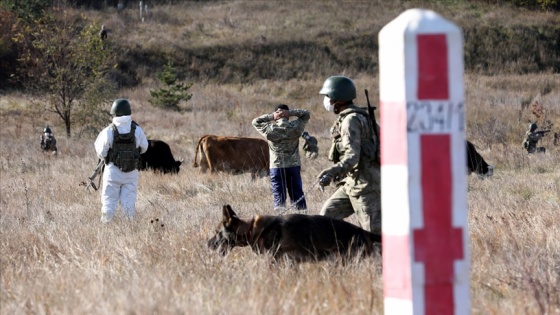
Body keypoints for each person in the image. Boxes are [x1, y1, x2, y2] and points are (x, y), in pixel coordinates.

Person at [317, 76, 381, 233]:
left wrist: (331, 172)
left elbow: (352, 156)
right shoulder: (359, 116)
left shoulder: (350, 120)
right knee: (326, 216)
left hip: (366, 186)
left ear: (336, 100)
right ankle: (339, 252)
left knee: (372, 233)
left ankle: (374, 257)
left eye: (327, 96)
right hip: (352, 183)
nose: (326, 100)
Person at [94, 99, 148, 223]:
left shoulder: (109, 131)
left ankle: (106, 226)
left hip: (112, 172)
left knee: (109, 202)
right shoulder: (137, 130)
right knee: (129, 204)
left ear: (114, 113)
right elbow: (144, 148)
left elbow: (101, 152)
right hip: (131, 173)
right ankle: (128, 229)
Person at [252, 104, 310, 211]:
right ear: (288, 116)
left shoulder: (270, 129)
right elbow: (306, 114)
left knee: (279, 198)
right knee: (297, 195)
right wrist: (290, 112)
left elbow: (255, 121)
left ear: (275, 116)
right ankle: (301, 221)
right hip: (293, 166)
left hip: (276, 167)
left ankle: (280, 221)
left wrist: (271, 116)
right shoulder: (295, 127)